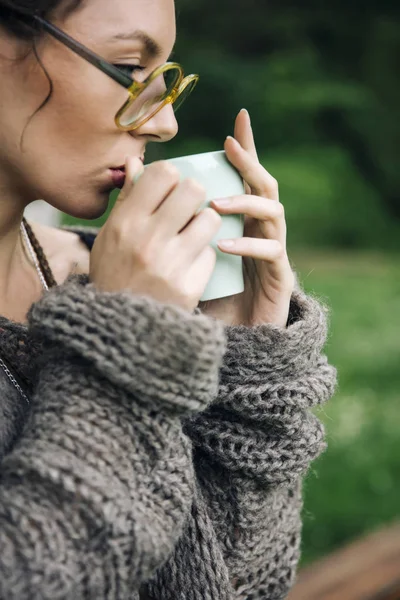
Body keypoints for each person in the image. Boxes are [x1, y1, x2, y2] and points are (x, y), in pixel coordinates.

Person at [0, 0, 337, 598]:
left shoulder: (101, 273)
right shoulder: (130, 308)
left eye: (166, 81)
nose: (163, 123)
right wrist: (125, 354)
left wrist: (242, 362)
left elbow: (242, 582)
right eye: (130, 69)